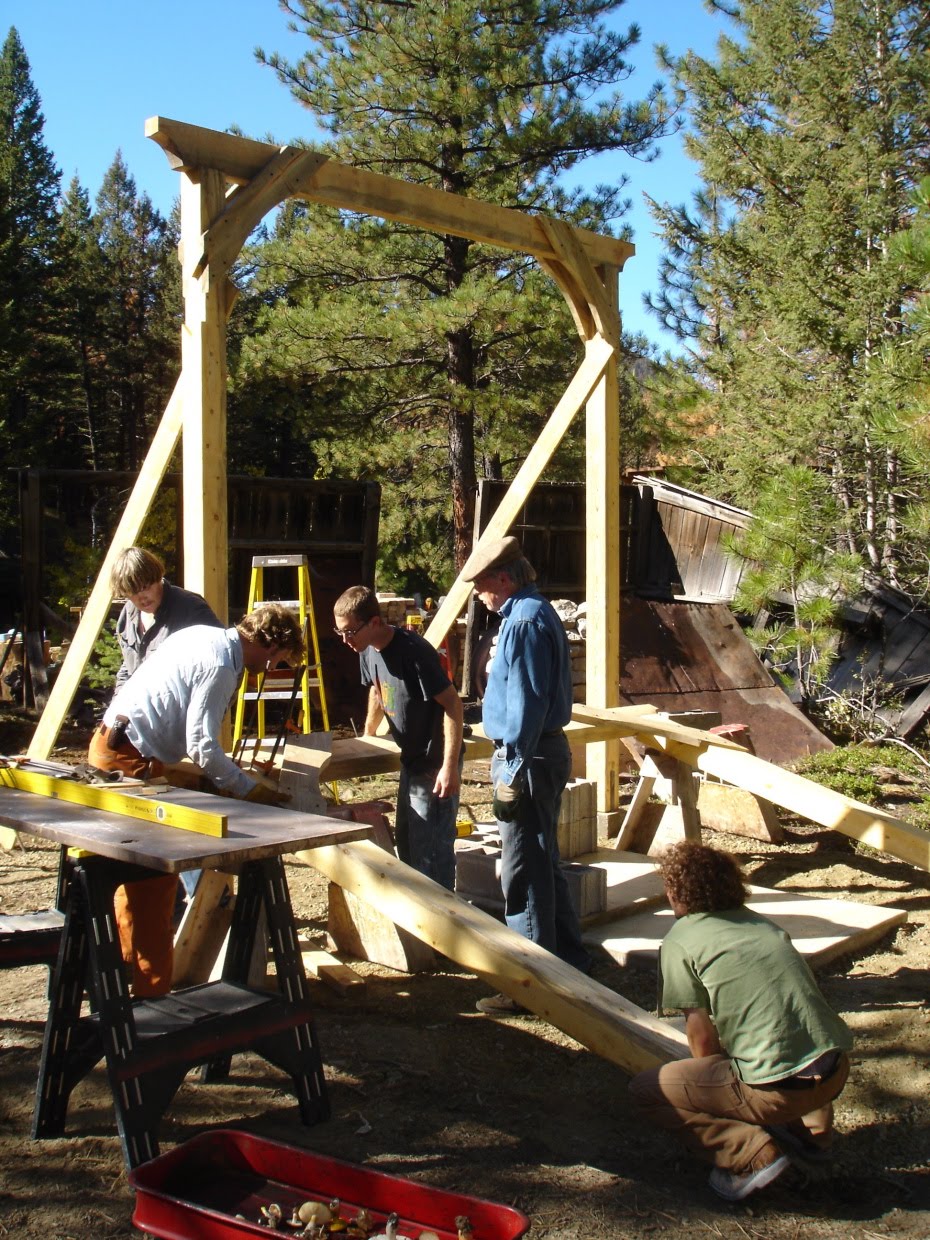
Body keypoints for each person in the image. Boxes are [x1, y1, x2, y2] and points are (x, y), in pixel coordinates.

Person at [86, 603, 305, 998]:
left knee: (129, 880)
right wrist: (246, 790)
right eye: (278, 660)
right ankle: (149, 999)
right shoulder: (221, 665)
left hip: (118, 747)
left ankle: (119, 984)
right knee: (153, 883)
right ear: (269, 646)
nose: (272, 669)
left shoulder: (204, 636)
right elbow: (202, 744)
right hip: (127, 759)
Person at [629, 841, 853, 1202]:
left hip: (777, 1091)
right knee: (790, 1046)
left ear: (676, 892)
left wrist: (709, 1091)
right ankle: (813, 1140)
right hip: (834, 1073)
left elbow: (701, 1038)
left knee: (646, 1090)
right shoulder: (763, 925)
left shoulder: (681, 940)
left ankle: (751, 1156)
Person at [462, 535, 591, 1014]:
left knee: (522, 871)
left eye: (480, 585)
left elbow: (529, 703)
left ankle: (532, 984)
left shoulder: (525, 621)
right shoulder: (527, 615)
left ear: (502, 577)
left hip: (528, 759)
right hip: (535, 754)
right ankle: (571, 963)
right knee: (543, 862)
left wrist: (510, 770)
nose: (478, 594)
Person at [333, 585, 464, 890]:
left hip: (433, 765)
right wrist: (367, 733)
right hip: (412, 761)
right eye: (339, 632)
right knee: (407, 848)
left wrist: (448, 767)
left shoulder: (414, 653)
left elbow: (453, 705)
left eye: (350, 632)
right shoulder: (366, 651)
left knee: (431, 859)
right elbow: (377, 691)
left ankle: (446, 927)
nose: (345, 640)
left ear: (375, 622)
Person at [111, 546, 222, 692]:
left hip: (180, 710)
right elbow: (128, 666)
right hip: (139, 709)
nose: (141, 598)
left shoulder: (190, 608)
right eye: (132, 592)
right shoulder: (128, 612)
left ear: (157, 578)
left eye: (145, 587)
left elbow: (223, 660)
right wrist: (118, 705)